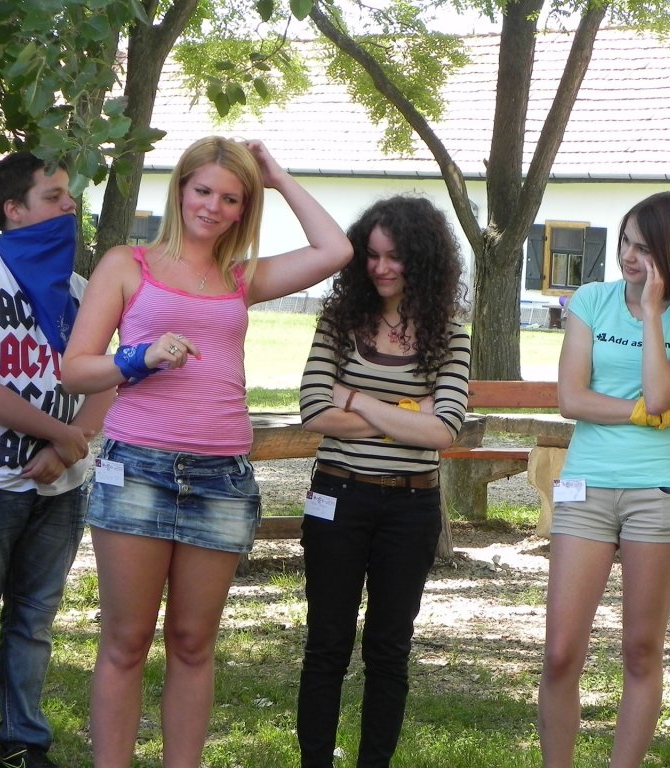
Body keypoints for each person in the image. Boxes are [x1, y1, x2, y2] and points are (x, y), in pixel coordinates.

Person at [61, 136, 352, 767]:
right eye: (203, 191)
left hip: (221, 477)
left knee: (193, 644)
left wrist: (277, 175)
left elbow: (335, 250)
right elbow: (75, 369)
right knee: (126, 642)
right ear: (180, 189)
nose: (213, 207)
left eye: (231, 198)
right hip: (137, 467)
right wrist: (139, 357)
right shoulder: (127, 263)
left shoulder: (241, 277)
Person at [0, 151, 114, 768]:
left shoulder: (78, 290)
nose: (70, 206)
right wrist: (61, 437)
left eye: (70, 196)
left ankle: (22, 745)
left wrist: (70, 445)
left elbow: (107, 379)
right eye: (54, 196)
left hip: (61, 489)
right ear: (13, 209)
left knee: (34, 622)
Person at [537, 191, 670, 767]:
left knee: (641, 651)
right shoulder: (590, 301)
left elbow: (661, 391)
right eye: (625, 241)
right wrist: (654, 415)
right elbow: (572, 400)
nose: (627, 256)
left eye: (644, 248)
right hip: (586, 486)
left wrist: (651, 312)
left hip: (658, 491)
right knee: (560, 652)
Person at [295, 195, 472, 768]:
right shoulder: (339, 322)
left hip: (411, 507)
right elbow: (314, 412)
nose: (380, 268)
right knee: (326, 645)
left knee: (389, 650)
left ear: (421, 259)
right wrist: (407, 412)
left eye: (394, 257)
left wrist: (355, 398)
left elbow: (443, 431)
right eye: (371, 255)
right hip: (337, 495)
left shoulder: (450, 334)